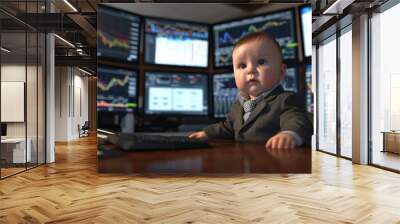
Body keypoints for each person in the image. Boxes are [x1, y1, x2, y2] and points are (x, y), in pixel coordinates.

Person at [189, 31, 313, 150]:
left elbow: (296, 120)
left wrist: (289, 134)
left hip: (271, 162)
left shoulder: (285, 99)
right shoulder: (238, 105)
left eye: (261, 62)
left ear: (281, 72)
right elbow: (227, 128)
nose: (250, 70)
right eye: (242, 66)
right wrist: (207, 133)